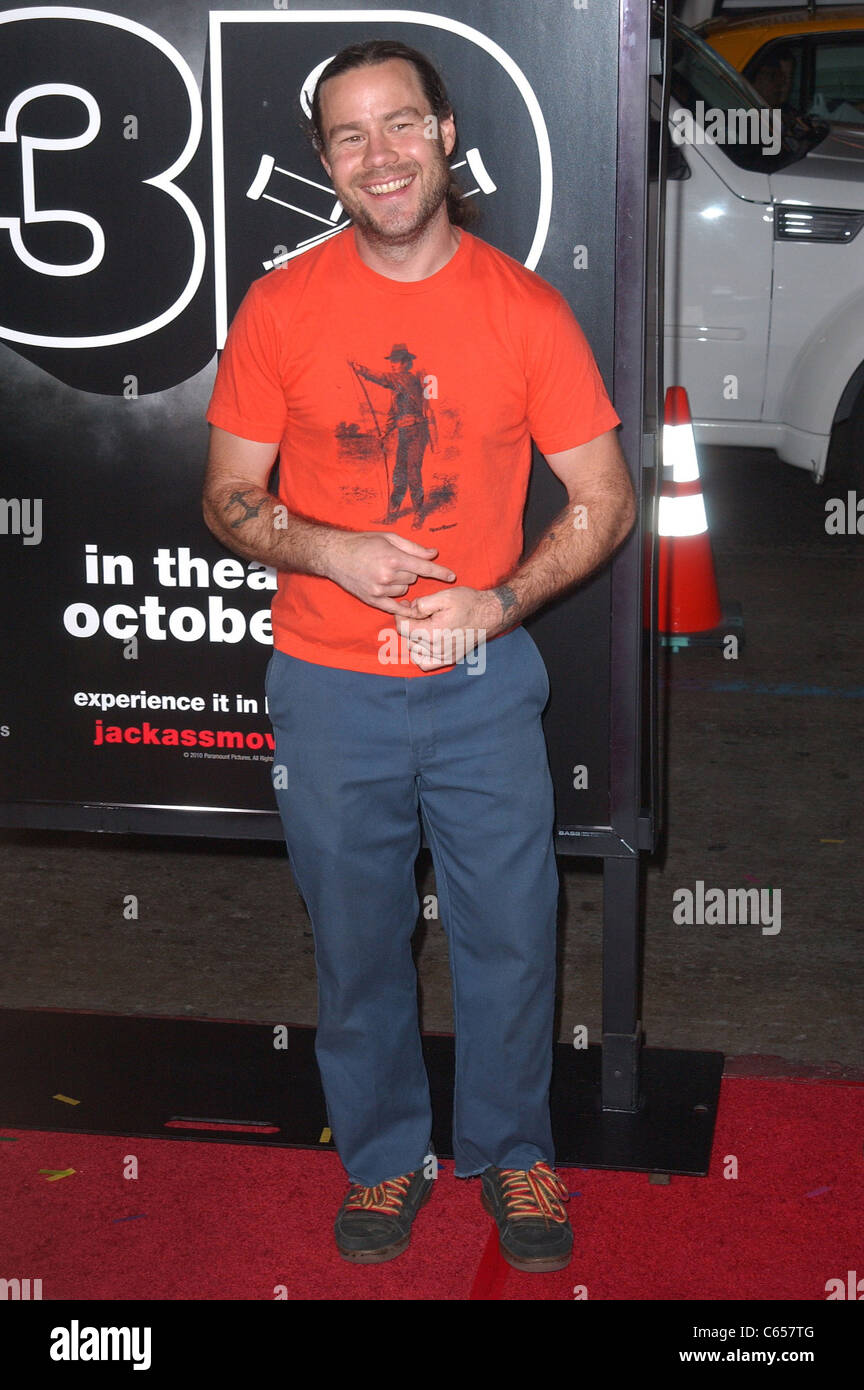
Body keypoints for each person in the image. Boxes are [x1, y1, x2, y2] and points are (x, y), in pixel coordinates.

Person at [203, 38, 635, 1272]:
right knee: (355, 937)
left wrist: (500, 602)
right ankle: (386, 1154)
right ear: (326, 163)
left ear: (446, 135)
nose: (379, 156)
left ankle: (513, 1152)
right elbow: (228, 496)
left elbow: (602, 496)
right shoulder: (284, 304)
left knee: (511, 928)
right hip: (328, 685)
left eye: (400, 126)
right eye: (349, 136)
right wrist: (325, 547)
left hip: (481, 687)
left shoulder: (525, 309)